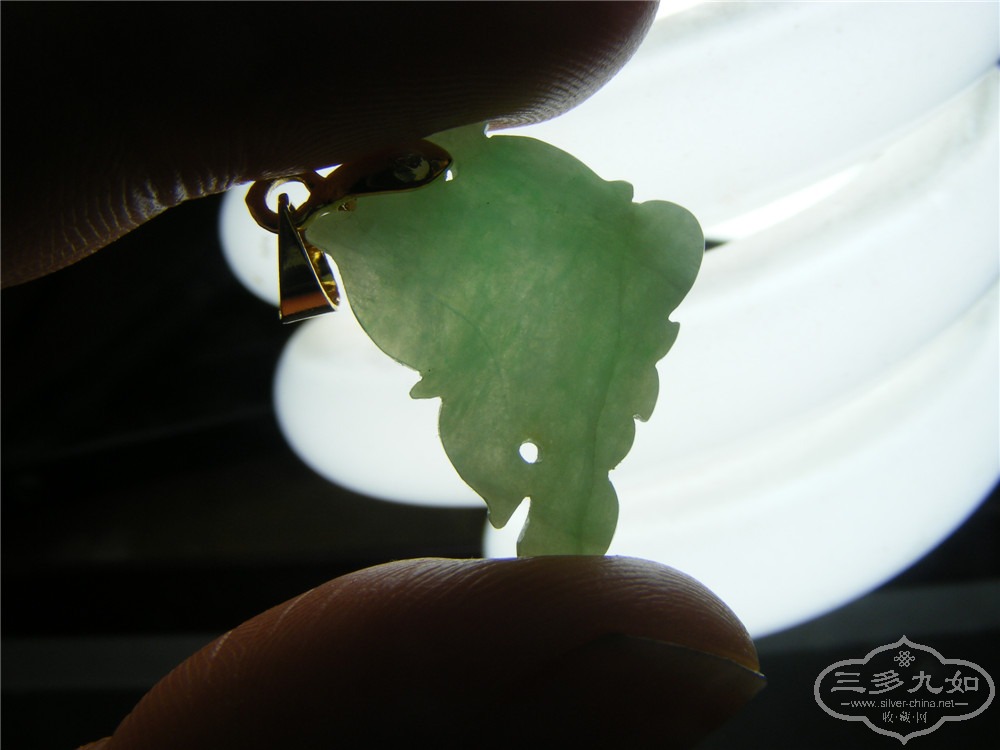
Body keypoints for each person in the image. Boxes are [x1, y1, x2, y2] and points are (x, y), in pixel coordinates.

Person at [2, 4, 764, 747]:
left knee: (551, 466)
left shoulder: (481, 202)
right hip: (518, 330)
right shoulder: (397, 219)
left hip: (567, 322)